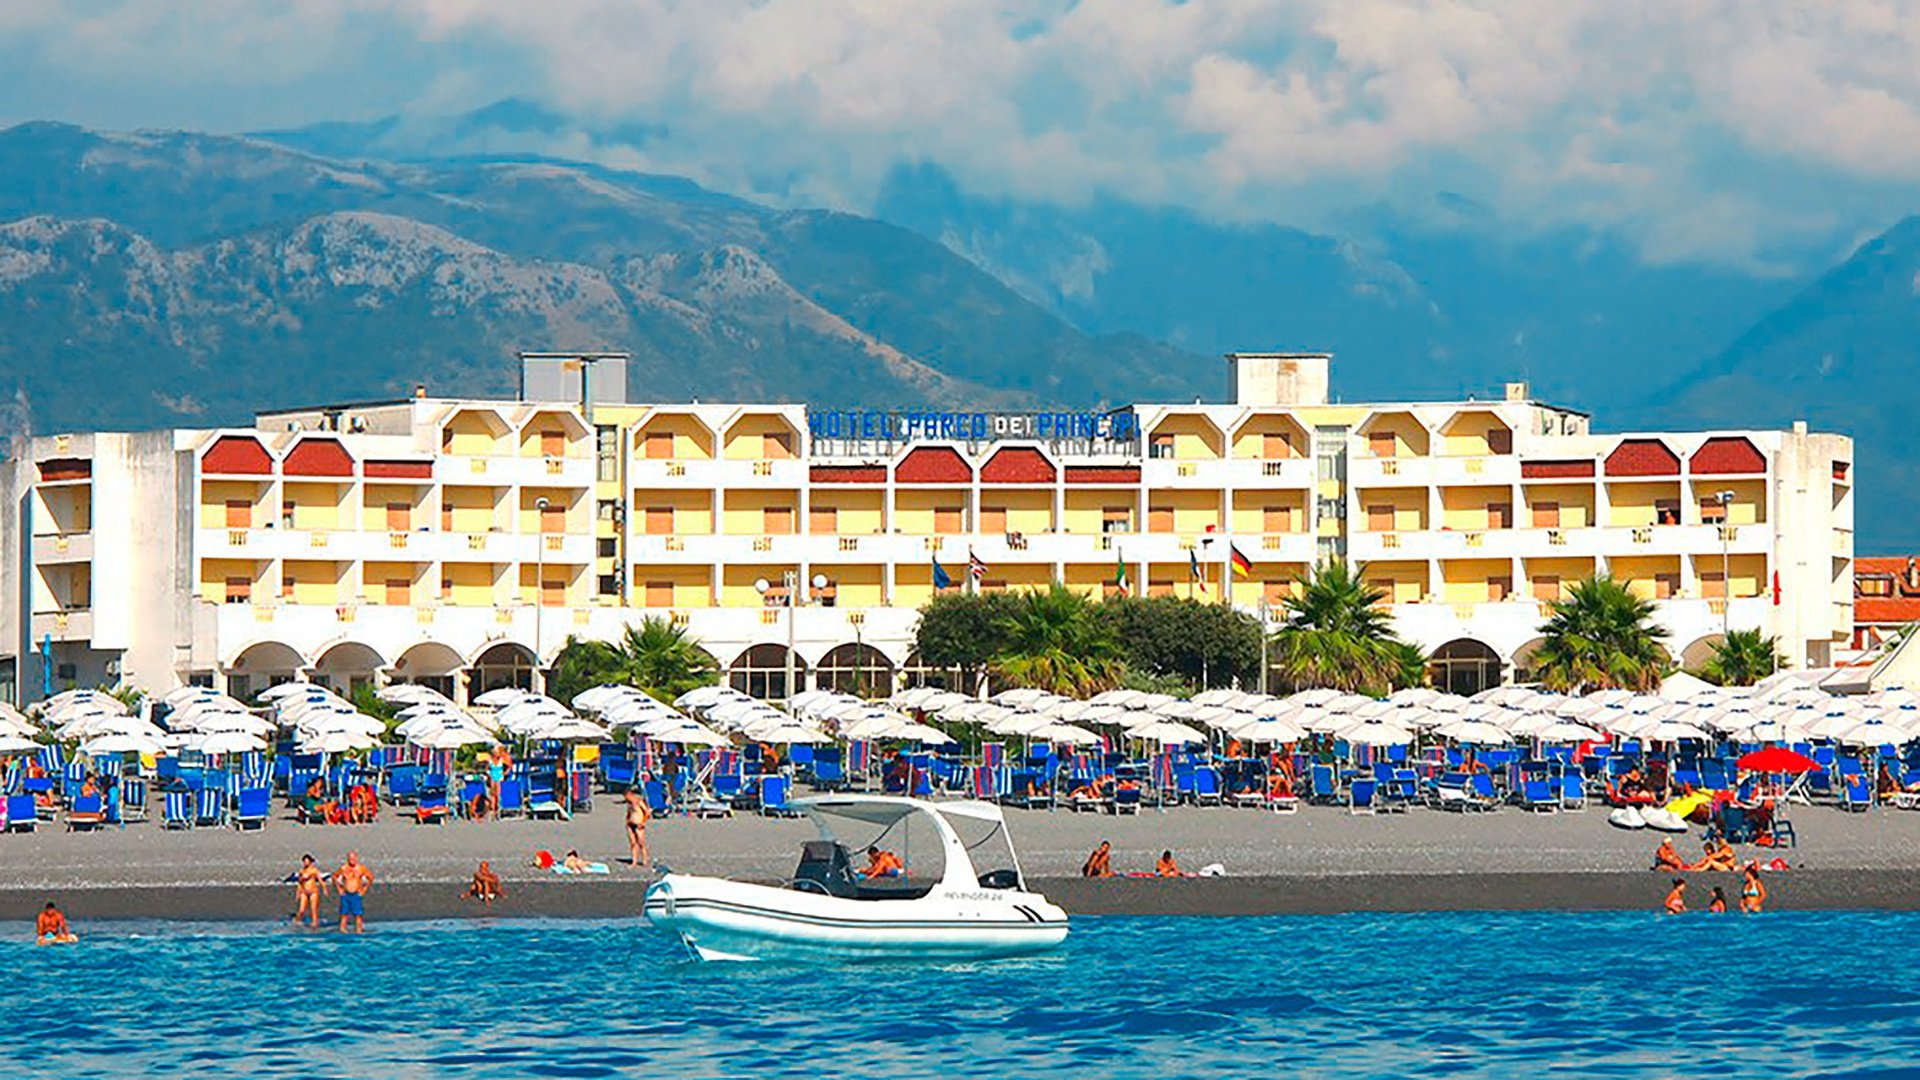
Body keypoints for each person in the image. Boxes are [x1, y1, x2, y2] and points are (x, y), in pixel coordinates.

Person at [333, 851, 374, 933]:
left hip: (356, 894)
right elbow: (334, 877)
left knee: (358, 915)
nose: (352, 860)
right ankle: (343, 931)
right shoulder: (344, 868)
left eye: (353, 858)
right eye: (350, 858)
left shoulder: (361, 868)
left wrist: (364, 889)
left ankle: (358, 932)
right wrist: (339, 889)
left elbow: (370, 877)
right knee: (344, 915)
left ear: (356, 858)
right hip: (346, 894)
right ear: (348, 859)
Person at [294, 853, 327, 928]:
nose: (305, 863)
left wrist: (324, 888)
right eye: (304, 861)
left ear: (310, 862)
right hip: (304, 892)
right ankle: (297, 921)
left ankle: (315, 923)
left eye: (307, 861)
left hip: (313, 892)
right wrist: (298, 893)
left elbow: (320, 880)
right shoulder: (301, 871)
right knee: (301, 910)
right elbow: (300, 883)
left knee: (313, 909)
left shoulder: (314, 870)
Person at [624, 788, 652, 867]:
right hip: (630, 823)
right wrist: (627, 821)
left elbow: (647, 812)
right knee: (633, 843)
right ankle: (634, 861)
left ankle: (645, 859)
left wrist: (643, 822)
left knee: (641, 842)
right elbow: (629, 813)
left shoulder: (639, 801)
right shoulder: (629, 803)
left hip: (639, 824)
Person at [486, 744, 511, 821]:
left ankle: (497, 810)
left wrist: (505, 773)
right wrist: (488, 775)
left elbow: (509, 766)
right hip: (492, 777)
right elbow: (487, 769)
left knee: (498, 794)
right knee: (493, 795)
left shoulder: (502, 760)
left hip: (499, 777)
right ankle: (493, 811)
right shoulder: (490, 760)